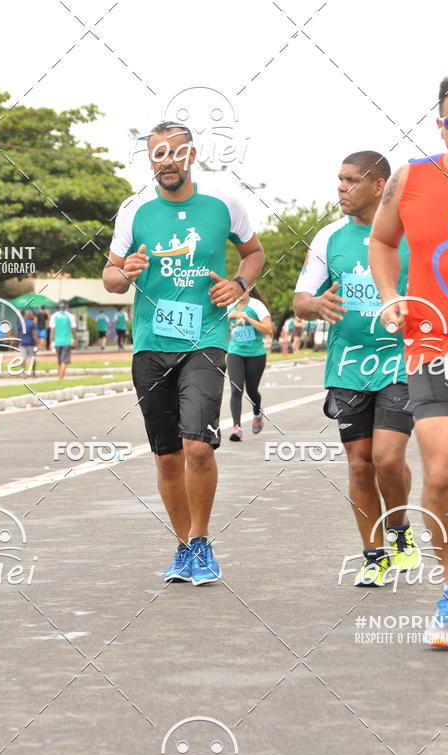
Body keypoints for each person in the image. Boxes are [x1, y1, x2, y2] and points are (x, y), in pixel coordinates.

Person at [103, 120, 264, 585]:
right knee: (168, 456)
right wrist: (127, 271)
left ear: (192, 155)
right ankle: (181, 548)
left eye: (175, 153)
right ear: (149, 159)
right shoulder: (134, 211)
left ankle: (201, 541)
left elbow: (254, 254)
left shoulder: (223, 204)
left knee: (197, 445)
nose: (166, 162)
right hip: (151, 345)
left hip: (206, 341)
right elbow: (110, 278)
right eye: (157, 154)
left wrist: (238, 285)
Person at [369, 72, 448, 648]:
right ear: (439, 124)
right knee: (443, 471)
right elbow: (382, 242)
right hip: (433, 346)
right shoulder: (411, 179)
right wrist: (391, 295)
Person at [294, 150, 420, 587]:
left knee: (388, 457)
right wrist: (315, 304)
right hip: (348, 365)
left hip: (401, 360)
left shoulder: (410, 232)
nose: (340, 188)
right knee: (361, 464)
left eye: (350, 180)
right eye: (339, 179)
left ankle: (400, 530)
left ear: (378, 185)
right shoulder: (328, 237)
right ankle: (374, 554)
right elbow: (301, 301)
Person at [227, 286, 273, 441]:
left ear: (247, 291)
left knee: (252, 390)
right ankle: (237, 428)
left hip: (256, 355)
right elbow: (216, 327)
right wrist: (228, 319)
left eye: (240, 290)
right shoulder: (229, 305)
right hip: (235, 353)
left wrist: (247, 318)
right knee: (236, 389)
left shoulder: (256, 306)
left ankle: (257, 413)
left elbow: (269, 330)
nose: (236, 294)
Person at [49, 300, 77, 379]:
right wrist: (75, 338)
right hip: (67, 341)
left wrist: (51, 342)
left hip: (57, 342)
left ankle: (59, 377)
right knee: (64, 361)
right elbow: (73, 329)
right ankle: (61, 379)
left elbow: (52, 331)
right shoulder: (70, 316)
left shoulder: (54, 316)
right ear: (67, 306)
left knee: (59, 361)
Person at [18, 309, 38, 377]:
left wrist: (17, 341)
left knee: (23, 358)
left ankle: (23, 373)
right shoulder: (32, 323)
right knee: (33, 358)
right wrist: (37, 343)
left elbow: (18, 333)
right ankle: (33, 373)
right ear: (29, 314)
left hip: (22, 343)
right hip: (31, 343)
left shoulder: (20, 322)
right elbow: (34, 334)